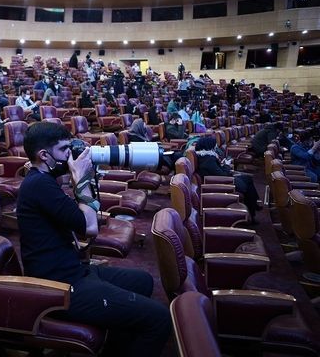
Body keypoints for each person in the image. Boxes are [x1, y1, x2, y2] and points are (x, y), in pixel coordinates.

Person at [17, 122, 171, 357]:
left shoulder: (44, 179)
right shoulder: (38, 185)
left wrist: (73, 175)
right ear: (44, 155)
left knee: (143, 281)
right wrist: (82, 179)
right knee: (158, 319)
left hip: (74, 269)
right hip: (60, 284)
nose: (72, 154)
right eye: (65, 150)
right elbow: (89, 227)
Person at [195, 137, 261, 222]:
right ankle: (252, 213)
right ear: (209, 146)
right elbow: (223, 175)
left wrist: (223, 165)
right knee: (246, 185)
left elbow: (218, 172)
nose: (216, 147)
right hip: (221, 184)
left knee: (248, 178)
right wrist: (226, 165)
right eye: (214, 145)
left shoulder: (207, 157)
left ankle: (253, 206)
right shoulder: (208, 160)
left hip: (220, 180)